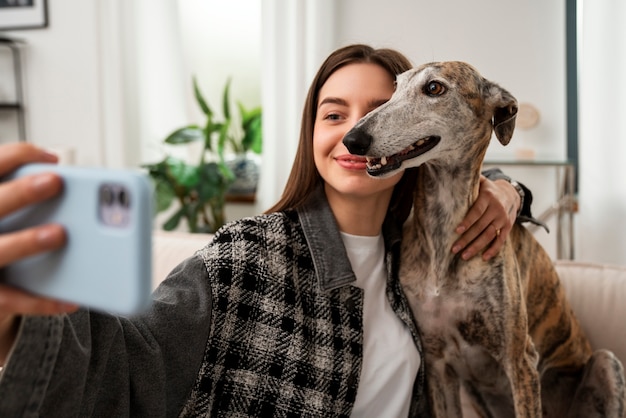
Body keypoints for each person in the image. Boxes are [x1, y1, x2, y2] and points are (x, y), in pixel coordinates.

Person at [0, 44, 536, 417]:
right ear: (310, 135)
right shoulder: (248, 254)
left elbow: (459, 155)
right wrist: (15, 322)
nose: (358, 129)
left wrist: (512, 189)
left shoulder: (421, 270)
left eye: (379, 110)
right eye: (333, 114)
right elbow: (135, 364)